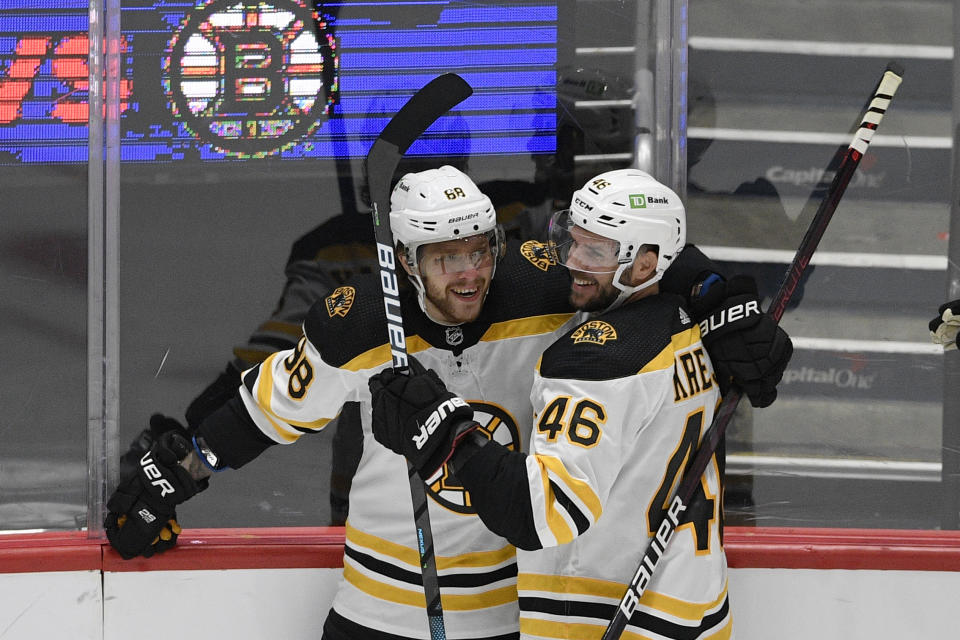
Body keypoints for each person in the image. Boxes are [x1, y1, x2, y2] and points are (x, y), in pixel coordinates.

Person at [104, 165, 790, 640]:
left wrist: (716, 298)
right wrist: (175, 477)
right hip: (380, 611)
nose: (469, 272)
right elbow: (265, 409)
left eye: (479, 250)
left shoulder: (548, 288)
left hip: (508, 616)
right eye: (444, 258)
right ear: (406, 261)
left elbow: (634, 254)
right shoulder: (362, 326)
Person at [369, 170, 737, 639]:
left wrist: (446, 433)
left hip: (605, 620)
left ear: (644, 265)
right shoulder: (688, 327)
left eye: (596, 252)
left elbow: (541, 515)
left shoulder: (593, 362)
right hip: (699, 610)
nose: (573, 261)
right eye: (572, 240)